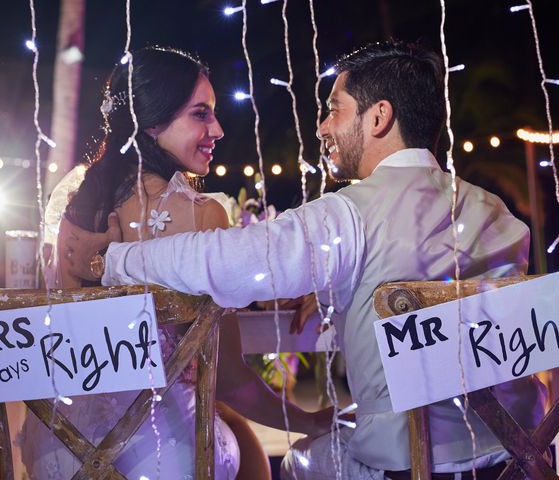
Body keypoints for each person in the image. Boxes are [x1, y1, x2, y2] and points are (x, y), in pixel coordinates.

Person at [64, 41, 545, 479]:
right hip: (518, 458)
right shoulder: (495, 211)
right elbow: (438, 279)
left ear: (378, 118)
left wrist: (112, 260)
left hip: (409, 466)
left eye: (335, 109)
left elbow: (221, 262)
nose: (322, 126)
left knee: (299, 461)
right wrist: (341, 287)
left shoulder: (349, 217)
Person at [22, 46, 331, 480]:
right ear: (152, 121)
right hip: (163, 455)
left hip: (57, 452)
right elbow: (227, 379)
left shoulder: (71, 205)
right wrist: (307, 420)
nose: (218, 129)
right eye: (201, 114)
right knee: (242, 439)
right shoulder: (203, 214)